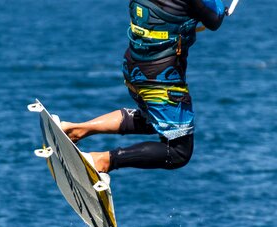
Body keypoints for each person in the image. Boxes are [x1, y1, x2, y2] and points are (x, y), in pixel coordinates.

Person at [61, 0, 226, 174]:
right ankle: (102, 161)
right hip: (161, 78)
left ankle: (76, 130)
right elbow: (215, 20)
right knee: (178, 152)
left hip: (134, 66)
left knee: (152, 120)